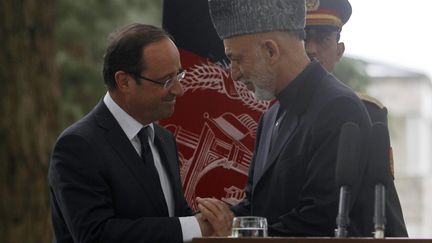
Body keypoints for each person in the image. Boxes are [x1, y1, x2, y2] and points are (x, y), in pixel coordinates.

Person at [198, 0, 374, 237]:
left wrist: (236, 231)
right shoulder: (270, 116)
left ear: (271, 51)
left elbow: (319, 221)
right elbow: (256, 206)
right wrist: (209, 220)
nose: (234, 74)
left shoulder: (339, 107)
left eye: (237, 59)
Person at [48, 23, 232, 243]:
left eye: (179, 75)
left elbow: (172, 217)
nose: (178, 89)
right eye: (166, 80)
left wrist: (211, 219)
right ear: (124, 81)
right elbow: (95, 235)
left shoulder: (164, 139)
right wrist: (193, 226)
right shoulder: (78, 146)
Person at [304, 0, 408, 236]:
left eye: (322, 39)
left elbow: (383, 203)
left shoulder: (368, 113)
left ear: (339, 51)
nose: (310, 49)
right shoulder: (270, 118)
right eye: (303, 39)